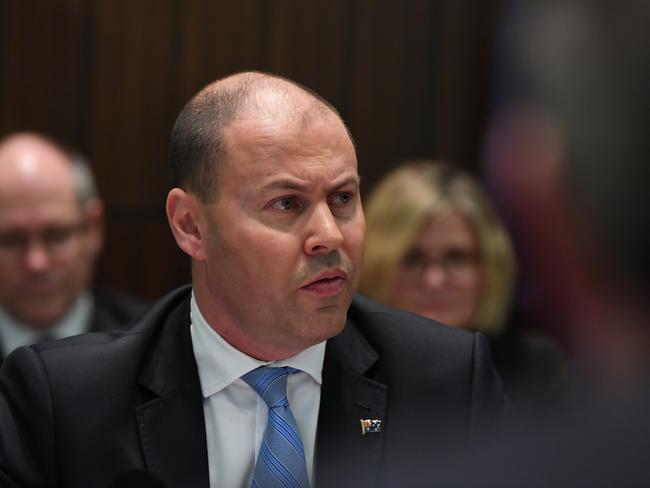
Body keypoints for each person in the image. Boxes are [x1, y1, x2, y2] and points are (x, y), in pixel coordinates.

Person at [0, 72, 506, 488]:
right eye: (286, 204)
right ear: (190, 226)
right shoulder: (66, 402)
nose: (329, 236)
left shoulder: (445, 382)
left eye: (343, 198)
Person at [361, 160, 568, 417]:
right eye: (412, 259)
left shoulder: (535, 367)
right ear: (373, 265)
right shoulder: (343, 365)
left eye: (456, 257)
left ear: (491, 267)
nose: (434, 280)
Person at [0, 133, 147, 363]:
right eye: (10, 240)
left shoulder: (152, 342)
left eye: (56, 236)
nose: (36, 263)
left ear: (93, 229)